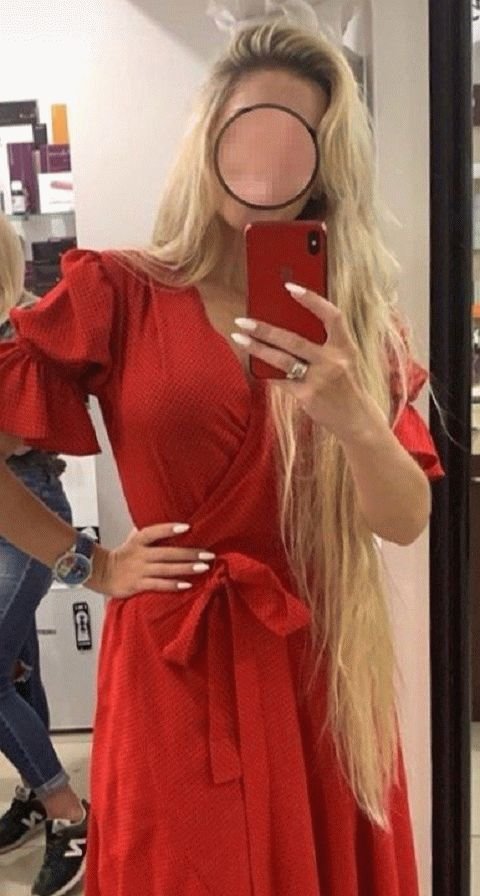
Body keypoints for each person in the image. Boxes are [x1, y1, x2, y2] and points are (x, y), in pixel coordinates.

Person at [0, 17, 445, 896]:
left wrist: (355, 417)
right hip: (175, 661)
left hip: (317, 666)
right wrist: (90, 563)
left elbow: (405, 521)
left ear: (325, 165)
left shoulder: (355, 320)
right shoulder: (120, 292)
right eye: (248, 135)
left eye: (295, 145)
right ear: (209, 144)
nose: (266, 173)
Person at [0, 215, 88, 896]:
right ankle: (36, 796)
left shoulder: (25, 329)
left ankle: (68, 814)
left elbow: (22, 433)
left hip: (29, 507)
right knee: (16, 664)